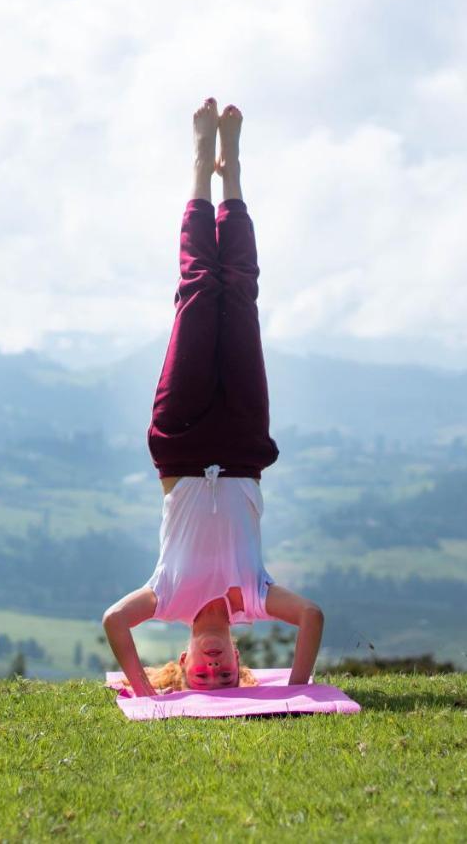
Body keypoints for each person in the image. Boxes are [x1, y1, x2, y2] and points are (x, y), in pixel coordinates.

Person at [102, 98, 324, 697]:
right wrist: (294, 691)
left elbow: (113, 623)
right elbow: (311, 619)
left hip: (181, 442)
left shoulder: (165, 598)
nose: (215, 666)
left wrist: (147, 696)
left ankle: (202, 166)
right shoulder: (256, 598)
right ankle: (235, 177)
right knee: (241, 295)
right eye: (226, 673)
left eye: (202, 673)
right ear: (238, 659)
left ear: (184, 657)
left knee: (200, 292)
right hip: (244, 444)